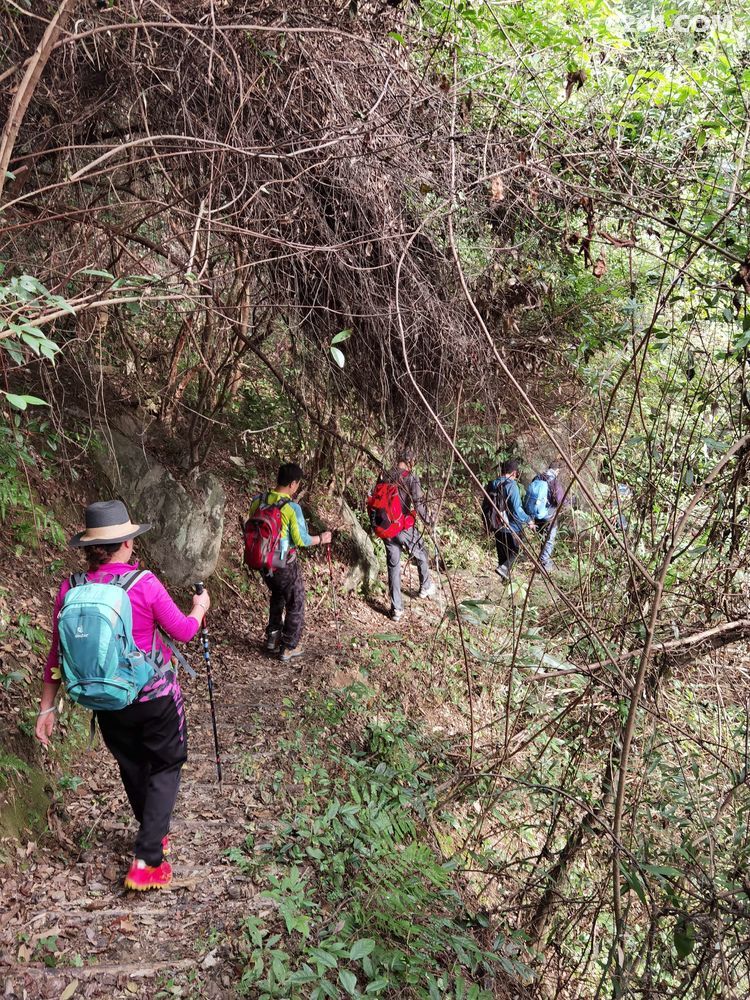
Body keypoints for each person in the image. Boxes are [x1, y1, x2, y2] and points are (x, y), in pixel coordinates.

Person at [35, 499, 210, 892]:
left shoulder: (71, 588)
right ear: (127, 544)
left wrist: (47, 708)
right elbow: (182, 631)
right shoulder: (143, 583)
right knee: (165, 764)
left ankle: (153, 830)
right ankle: (147, 860)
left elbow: (55, 653)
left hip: (106, 700)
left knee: (132, 765)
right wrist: (199, 608)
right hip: (154, 698)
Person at [247, 462, 331, 661]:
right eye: (298, 484)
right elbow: (301, 539)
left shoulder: (258, 500)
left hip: (262, 562)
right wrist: (322, 538)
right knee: (296, 600)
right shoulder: (292, 508)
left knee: (278, 594)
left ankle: (273, 639)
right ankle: (289, 646)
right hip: (284, 563)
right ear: (293, 484)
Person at [375, 447, 435, 622]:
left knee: (393, 567)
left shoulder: (385, 475)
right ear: (411, 462)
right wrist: (429, 522)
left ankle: (397, 609)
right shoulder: (411, 478)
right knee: (422, 552)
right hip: (403, 528)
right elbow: (418, 504)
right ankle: (425, 586)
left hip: (386, 528)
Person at [483, 458, 535, 580]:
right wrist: (528, 520)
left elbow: (485, 506)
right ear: (514, 472)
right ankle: (504, 575)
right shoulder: (511, 486)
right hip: (511, 527)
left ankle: (505, 583)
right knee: (515, 553)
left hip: (495, 525)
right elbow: (516, 509)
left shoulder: (492, 484)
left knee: (502, 557)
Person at [523, 466, 567, 571]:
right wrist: (569, 502)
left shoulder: (537, 477)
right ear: (557, 470)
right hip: (548, 516)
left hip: (536, 515)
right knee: (549, 539)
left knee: (544, 538)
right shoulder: (554, 482)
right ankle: (543, 565)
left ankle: (542, 560)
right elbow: (560, 500)